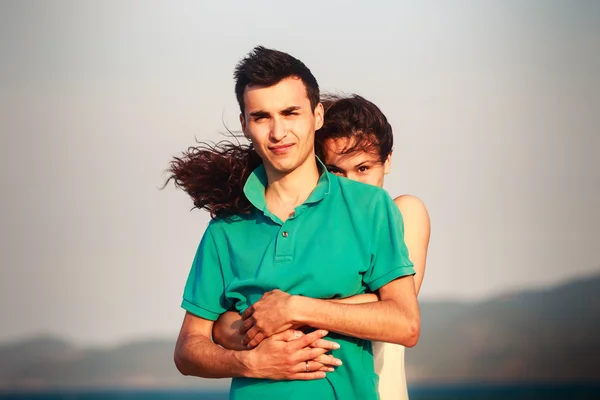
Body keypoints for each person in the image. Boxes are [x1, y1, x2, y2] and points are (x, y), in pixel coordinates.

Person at [168, 46, 420, 400]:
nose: (278, 132)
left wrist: (294, 308)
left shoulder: (369, 206)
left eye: (290, 113)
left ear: (316, 116)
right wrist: (252, 364)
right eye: (261, 117)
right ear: (245, 125)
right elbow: (187, 350)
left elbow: (405, 324)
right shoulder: (225, 228)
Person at [210, 94, 431, 400]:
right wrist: (238, 325)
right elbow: (221, 326)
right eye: (338, 171)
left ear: (388, 161)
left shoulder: (403, 211)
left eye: (364, 168)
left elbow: (393, 307)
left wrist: (290, 310)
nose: (351, 183)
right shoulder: (311, 229)